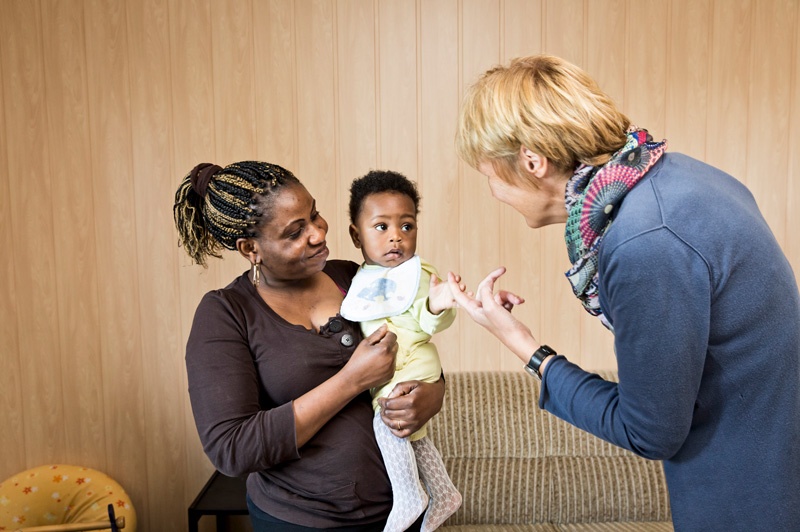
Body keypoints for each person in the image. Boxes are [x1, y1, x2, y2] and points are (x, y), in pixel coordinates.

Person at [447, 54, 800, 531]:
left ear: (532, 161)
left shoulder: (643, 241)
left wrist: (524, 346)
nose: (494, 193)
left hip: (747, 499)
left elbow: (650, 432)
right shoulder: (680, 178)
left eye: (490, 176)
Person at [173, 160, 447, 531]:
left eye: (314, 214)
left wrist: (432, 395)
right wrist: (350, 380)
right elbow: (231, 448)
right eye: (294, 232)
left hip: (402, 514)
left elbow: (413, 339)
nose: (318, 233)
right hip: (301, 521)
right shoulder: (226, 314)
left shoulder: (353, 277)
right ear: (251, 249)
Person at [341, 170, 462, 532]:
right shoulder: (362, 279)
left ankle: (409, 494)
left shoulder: (418, 273)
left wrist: (438, 305)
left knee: (386, 423)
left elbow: (427, 321)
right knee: (414, 435)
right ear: (355, 234)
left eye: (407, 226)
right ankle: (444, 494)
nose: (396, 236)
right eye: (381, 227)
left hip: (413, 367)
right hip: (393, 373)